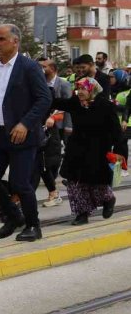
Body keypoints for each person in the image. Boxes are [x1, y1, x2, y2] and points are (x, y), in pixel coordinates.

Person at [0, 24, 52, 242]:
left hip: (22, 135)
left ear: (15, 41)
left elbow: (44, 99)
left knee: (20, 183)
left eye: (2, 39)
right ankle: (13, 214)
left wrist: (25, 124)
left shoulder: (28, 67)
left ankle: (33, 225)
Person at [51, 78, 121, 225]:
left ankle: (109, 199)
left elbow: (116, 131)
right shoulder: (76, 103)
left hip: (98, 149)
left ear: (92, 89)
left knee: (97, 183)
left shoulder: (106, 106)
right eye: (78, 89)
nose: (80, 92)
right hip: (76, 148)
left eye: (83, 89)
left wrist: (119, 152)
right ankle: (82, 214)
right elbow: (56, 102)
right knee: (74, 182)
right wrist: (45, 90)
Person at [39, 58, 72, 207]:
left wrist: (68, 125)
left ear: (52, 68)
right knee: (46, 159)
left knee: (55, 156)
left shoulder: (63, 83)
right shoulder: (40, 83)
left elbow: (69, 105)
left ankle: (57, 183)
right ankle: (52, 189)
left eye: (44, 66)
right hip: (45, 126)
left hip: (60, 124)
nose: (41, 69)